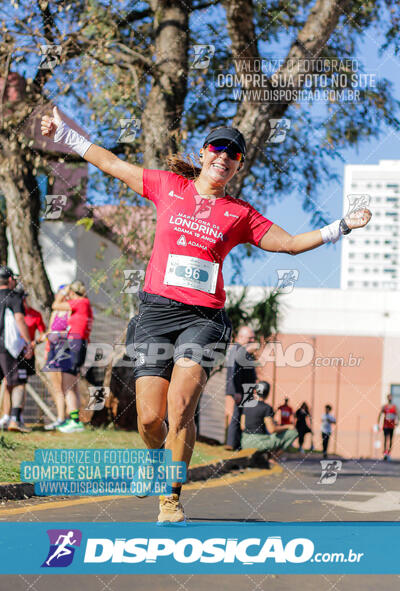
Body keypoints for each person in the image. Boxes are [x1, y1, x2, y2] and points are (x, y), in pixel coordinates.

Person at [41, 107, 371, 524]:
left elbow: (288, 244)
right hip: (156, 313)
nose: (224, 156)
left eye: (233, 154)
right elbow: (110, 163)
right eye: (218, 147)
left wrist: (341, 226)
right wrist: (65, 135)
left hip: (204, 319)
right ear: (202, 153)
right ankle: (153, 458)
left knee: (181, 406)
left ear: (237, 166)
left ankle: (171, 498)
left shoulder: (239, 214)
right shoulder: (167, 186)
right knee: (149, 417)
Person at [49, 281, 93, 433]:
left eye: (69, 294)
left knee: (66, 386)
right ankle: (75, 420)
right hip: (78, 344)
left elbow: (55, 305)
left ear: (72, 294)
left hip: (75, 344)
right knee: (72, 385)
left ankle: (74, 421)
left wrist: (63, 292)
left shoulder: (80, 302)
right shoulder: (85, 303)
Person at [0, 267, 33, 433]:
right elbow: (20, 319)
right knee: (19, 382)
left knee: (7, 382)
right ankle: (14, 419)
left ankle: (5, 417)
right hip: (7, 347)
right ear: (10, 279)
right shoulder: (13, 297)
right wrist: (28, 342)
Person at [240, 381, 298, 457]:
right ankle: (273, 457)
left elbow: (242, 426)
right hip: (260, 443)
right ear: (267, 393)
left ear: (255, 391)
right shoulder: (266, 407)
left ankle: (265, 456)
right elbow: (271, 429)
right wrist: (288, 426)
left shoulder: (246, 405)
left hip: (245, 443)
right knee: (293, 432)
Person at [225, 325, 258, 451]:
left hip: (246, 389)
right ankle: (232, 444)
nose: (252, 341)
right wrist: (236, 391)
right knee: (236, 416)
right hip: (240, 390)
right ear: (241, 337)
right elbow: (233, 372)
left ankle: (239, 444)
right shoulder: (237, 350)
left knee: (244, 416)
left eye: (253, 338)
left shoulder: (243, 351)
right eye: (250, 338)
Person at [42, 284, 71, 430]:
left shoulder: (69, 309)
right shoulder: (56, 311)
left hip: (65, 349)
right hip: (53, 350)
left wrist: (58, 335)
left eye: (62, 292)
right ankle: (60, 418)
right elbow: (50, 331)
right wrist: (47, 348)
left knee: (66, 386)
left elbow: (71, 332)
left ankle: (67, 417)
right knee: (56, 387)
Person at [378, 394, 398, 461]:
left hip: (392, 426)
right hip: (386, 425)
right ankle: (385, 453)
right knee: (386, 439)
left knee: (391, 440)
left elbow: (397, 415)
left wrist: (397, 422)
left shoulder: (394, 407)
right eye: (389, 397)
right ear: (387, 398)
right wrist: (378, 424)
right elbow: (380, 415)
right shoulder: (384, 407)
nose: (390, 398)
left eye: (391, 397)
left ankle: (389, 453)